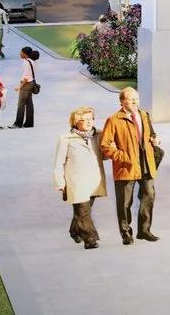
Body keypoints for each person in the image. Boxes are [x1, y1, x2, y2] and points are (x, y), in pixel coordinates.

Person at [96, 85, 161, 244]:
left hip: (146, 164)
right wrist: (123, 157)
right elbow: (105, 145)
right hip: (126, 167)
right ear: (122, 102)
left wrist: (155, 139)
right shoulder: (113, 120)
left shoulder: (144, 115)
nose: (135, 103)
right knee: (125, 202)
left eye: (136, 99)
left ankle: (144, 231)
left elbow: (151, 134)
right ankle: (126, 233)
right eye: (131, 100)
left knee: (149, 195)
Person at [54, 107, 105, 249]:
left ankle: (74, 230)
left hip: (94, 179)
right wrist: (59, 181)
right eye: (85, 120)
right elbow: (59, 162)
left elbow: (104, 155)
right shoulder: (66, 138)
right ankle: (90, 239)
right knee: (83, 210)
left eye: (91, 119)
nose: (89, 122)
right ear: (76, 122)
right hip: (76, 180)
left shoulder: (99, 134)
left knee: (84, 210)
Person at [12, 44, 41, 128]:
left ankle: (18, 123)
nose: (20, 53)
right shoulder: (32, 61)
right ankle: (29, 123)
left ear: (25, 54)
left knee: (21, 104)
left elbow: (26, 76)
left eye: (21, 52)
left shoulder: (26, 62)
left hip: (26, 84)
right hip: (32, 83)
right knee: (29, 103)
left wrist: (19, 86)